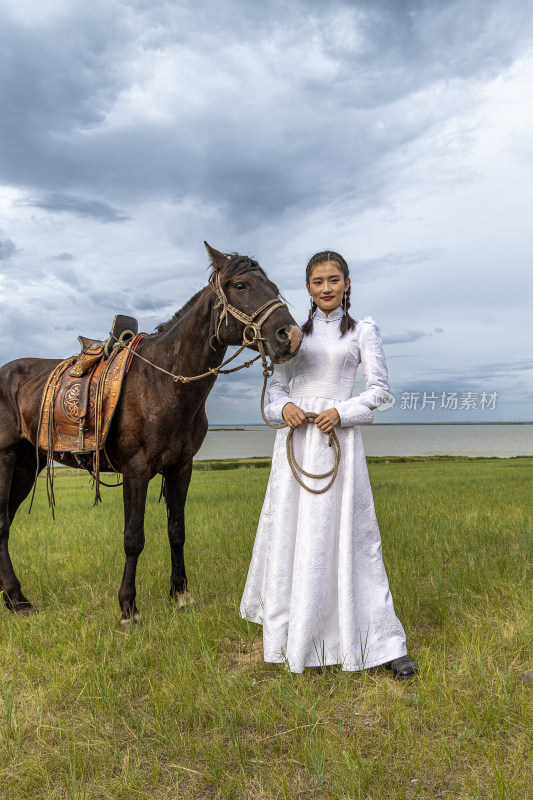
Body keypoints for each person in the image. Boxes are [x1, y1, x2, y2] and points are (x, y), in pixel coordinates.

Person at [240, 250, 418, 678]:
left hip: (338, 441)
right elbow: (274, 393)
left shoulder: (363, 331)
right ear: (307, 288)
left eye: (334, 280)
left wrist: (343, 412)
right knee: (294, 535)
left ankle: (383, 642)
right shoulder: (292, 333)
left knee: (353, 538)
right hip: (296, 447)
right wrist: (284, 410)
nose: (326, 288)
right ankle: (293, 636)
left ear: (347, 283)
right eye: (318, 281)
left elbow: (379, 391)